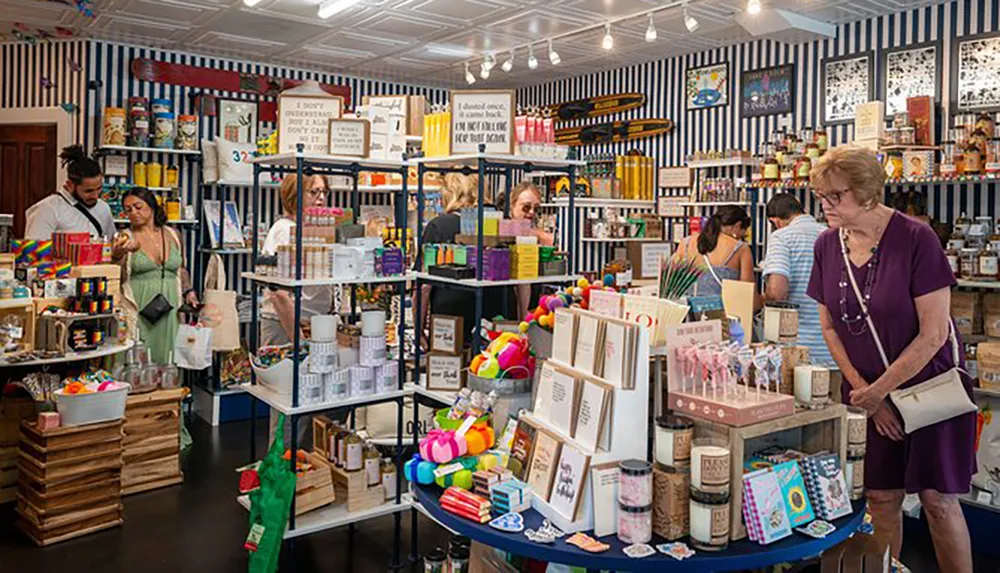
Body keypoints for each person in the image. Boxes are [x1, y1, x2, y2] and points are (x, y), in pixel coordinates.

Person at [806, 146, 974, 573]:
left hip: (927, 390)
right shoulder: (826, 246)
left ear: (866, 193)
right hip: (866, 396)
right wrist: (871, 398)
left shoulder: (916, 239)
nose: (825, 206)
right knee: (881, 499)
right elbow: (829, 328)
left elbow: (934, 333)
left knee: (937, 501)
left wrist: (882, 391)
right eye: (820, 196)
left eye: (834, 197)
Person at [419, 173, 508, 349]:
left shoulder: (438, 226)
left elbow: (423, 286)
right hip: (493, 320)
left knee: (450, 370)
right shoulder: (497, 223)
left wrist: (418, 328)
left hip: (449, 321)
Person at [116, 188, 198, 365]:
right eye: (128, 209)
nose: (133, 213)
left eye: (138, 207)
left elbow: (181, 268)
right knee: (137, 359)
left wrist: (189, 291)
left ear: (152, 206)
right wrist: (118, 254)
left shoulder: (173, 235)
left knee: (168, 358)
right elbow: (117, 276)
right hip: (138, 306)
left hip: (170, 305)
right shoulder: (124, 237)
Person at [260, 174, 334, 346]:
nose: (321, 198)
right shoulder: (285, 231)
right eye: (314, 192)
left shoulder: (310, 229)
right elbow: (278, 293)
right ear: (294, 196)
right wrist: (297, 338)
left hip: (311, 323)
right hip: (286, 324)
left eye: (324, 192)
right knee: (285, 371)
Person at [759, 193, 830, 363]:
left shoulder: (782, 237)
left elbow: (777, 293)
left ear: (775, 221)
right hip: (831, 348)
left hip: (796, 346)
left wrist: (762, 297)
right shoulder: (831, 234)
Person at [25, 145, 117, 241]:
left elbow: (111, 246)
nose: (96, 195)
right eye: (88, 191)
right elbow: (33, 252)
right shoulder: (47, 209)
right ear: (70, 185)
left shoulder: (104, 208)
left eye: (99, 188)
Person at [499, 181, 554, 320]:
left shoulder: (535, 236)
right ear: (512, 206)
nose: (531, 213)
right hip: (504, 309)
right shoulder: (501, 234)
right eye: (526, 207)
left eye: (536, 209)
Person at [674, 205, 754, 296]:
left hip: (687, 307)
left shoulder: (685, 244)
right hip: (723, 309)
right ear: (737, 225)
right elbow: (748, 296)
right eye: (742, 234)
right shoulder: (741, 249)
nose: (741, 238)